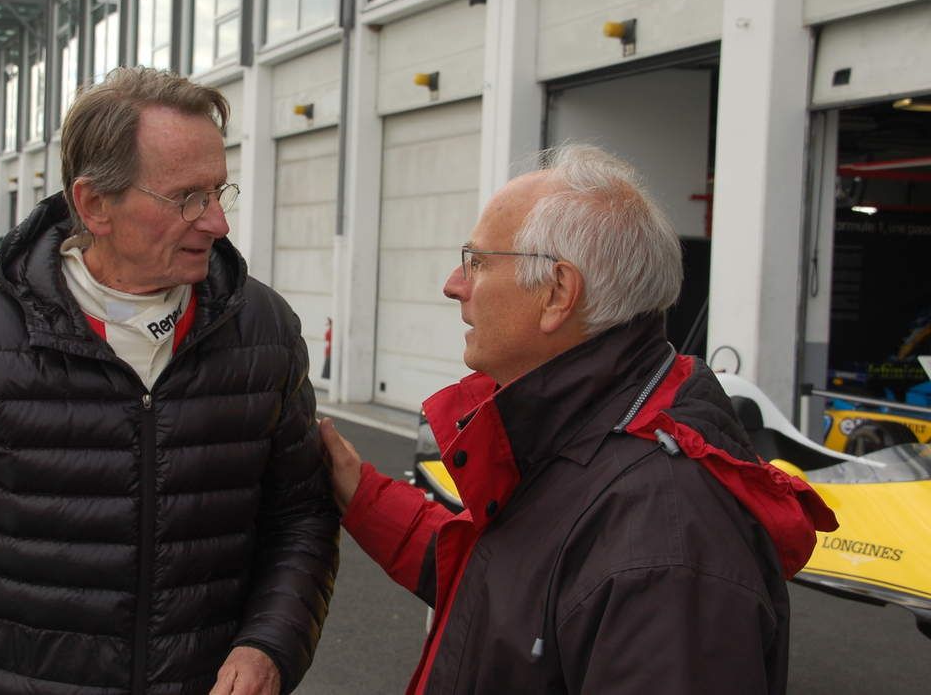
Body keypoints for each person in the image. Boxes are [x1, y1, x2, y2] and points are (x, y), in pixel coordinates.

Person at [0, 67, 340, 695]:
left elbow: (301, 518)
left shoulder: (262, 328)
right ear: (94, 205)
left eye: (220, 191)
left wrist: (270, 644)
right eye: (187, 197)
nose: (218, 222)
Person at [320, 144, 837, 694]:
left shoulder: (662, 539)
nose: (454, 284)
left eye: (478, 262)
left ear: (558, 293)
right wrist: (359, 492)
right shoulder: (591, 431)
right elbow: (506, 586)